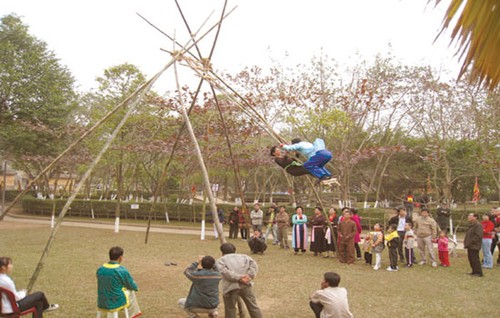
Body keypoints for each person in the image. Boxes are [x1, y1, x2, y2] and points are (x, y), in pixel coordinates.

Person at [215, 243, 263, 318]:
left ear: (222, 252)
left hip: (230, 287)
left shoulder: (220, 260)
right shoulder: (245, 257)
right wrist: (248, 276)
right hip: (246, 285)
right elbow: (254, 266)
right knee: (253, 306)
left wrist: (239, 278)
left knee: (230, 309)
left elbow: (225, 272)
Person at [97, 246, 139, 314]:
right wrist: (136, 288)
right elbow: (131, 285)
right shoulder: (122, 270)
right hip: (115, 301)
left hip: (102, 301)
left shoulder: (100, 269)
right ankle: (133, 314)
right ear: (120, 257)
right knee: (131, 292)